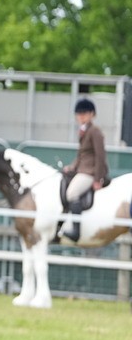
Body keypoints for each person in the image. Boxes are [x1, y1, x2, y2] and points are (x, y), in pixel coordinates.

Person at [58, 98, 109, 242]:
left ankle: (76, 231)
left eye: (84, 113)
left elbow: (100, 156)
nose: (81, 116)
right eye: (79, 113)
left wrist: (98, 178)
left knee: (72, 193)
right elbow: (82, 155)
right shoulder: (83, 130)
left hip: (90, 172)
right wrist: (71, 167)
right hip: (82, 169)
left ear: (92, 114)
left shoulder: (95, 131)